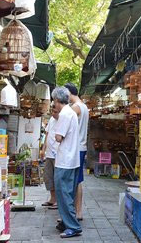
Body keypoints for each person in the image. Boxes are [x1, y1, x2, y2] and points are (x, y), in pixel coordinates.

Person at [51, 86, 82, 238]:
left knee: (63, 194)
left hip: (65, 160)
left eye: (54, 101)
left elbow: (58, 137)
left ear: (57, 100)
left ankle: (73, 226)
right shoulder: (71, 112)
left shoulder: (64, 114)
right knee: (67, 193)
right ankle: (66, 221)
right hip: (72, 159)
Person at [64, 82, 89, 221]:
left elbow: (65, 123)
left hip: (76, 148)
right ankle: (77, 211)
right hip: (81, 147)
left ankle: (76, 211)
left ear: (69, 92)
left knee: (74, 180)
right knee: (77, 180)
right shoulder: (84, 106)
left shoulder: (76, 108)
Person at [40, 104, 60, 209]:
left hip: (58, 153)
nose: (53, 113)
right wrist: (43, 149)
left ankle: (59, 201)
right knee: (48, 176)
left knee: (58, 178)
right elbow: (47, 134)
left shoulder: (63, 120)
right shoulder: (52, 119)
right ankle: (52, 199)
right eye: (52, 111)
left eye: (55, 112)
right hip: (49, 153)